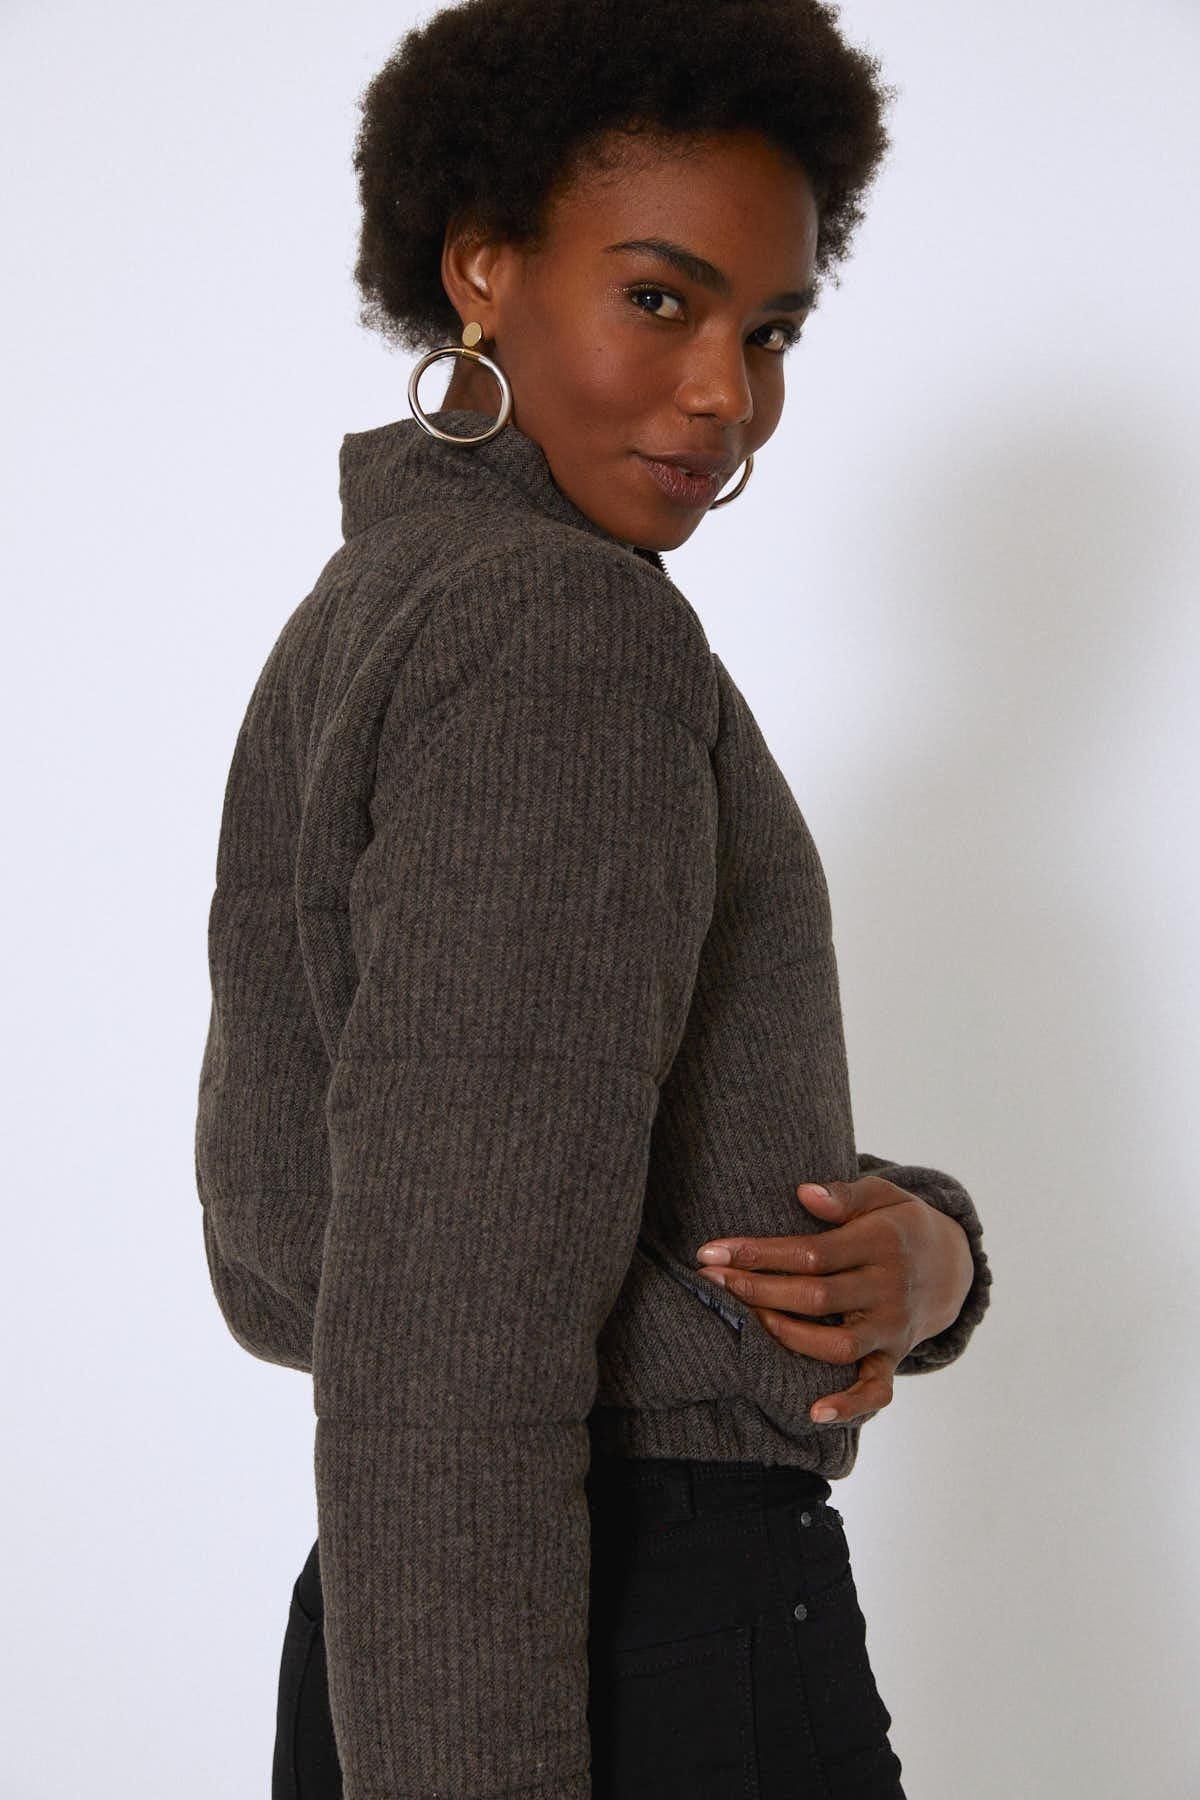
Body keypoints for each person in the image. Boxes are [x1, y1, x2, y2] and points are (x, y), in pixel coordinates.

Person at [194, 2, 994, 1795]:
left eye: (769, 330)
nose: (726, 394)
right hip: (602, 1634)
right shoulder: (564, 631)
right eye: (659, 298)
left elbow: (410, 1194)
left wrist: (924, 1250)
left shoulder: (382, 606)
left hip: (439, 1625)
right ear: (481, 266)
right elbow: (451, 1316)